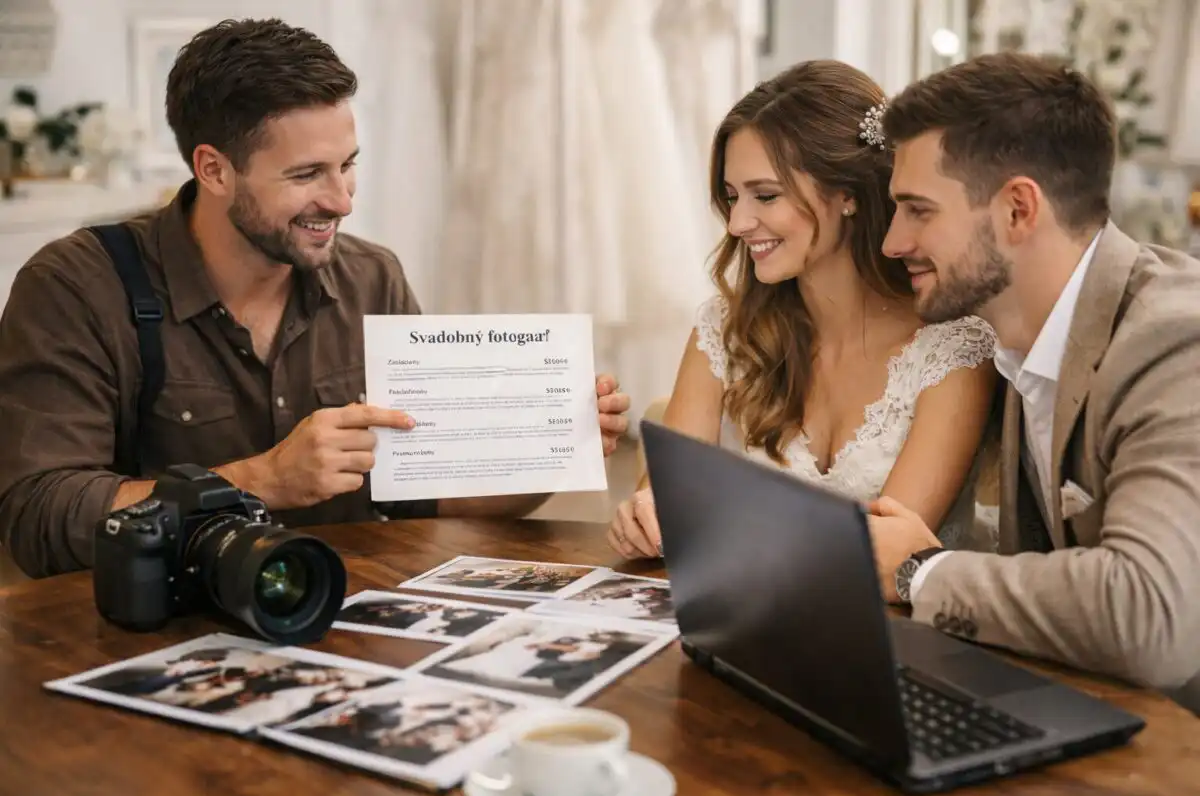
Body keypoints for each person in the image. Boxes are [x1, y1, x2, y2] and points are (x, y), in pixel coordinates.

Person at [0, 18, 629, 580]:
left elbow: (419, 494)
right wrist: (262, 479)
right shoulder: (75, 287)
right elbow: (40, 515)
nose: (343, 200)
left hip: (344, 618)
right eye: (306, 175)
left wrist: (549, 450)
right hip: (154, 637)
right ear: (214, 169)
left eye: (347, 164)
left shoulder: (372, 279)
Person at [870, 51, 1200, 713]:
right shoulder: (1016, 336)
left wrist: (920, 572)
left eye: (917, 210)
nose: (892, 242)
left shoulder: (1175, 341)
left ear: (1018, 210)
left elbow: (1153, 619)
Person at [606, 60, 998, 560]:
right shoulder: (724, 329)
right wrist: (641, 519)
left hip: (901, 630)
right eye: (731, 197)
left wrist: (713, 525)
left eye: (765, 196)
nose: (738, 223)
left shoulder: (953, 347)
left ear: (848, 194)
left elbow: (880, 556)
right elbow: (664, 505)